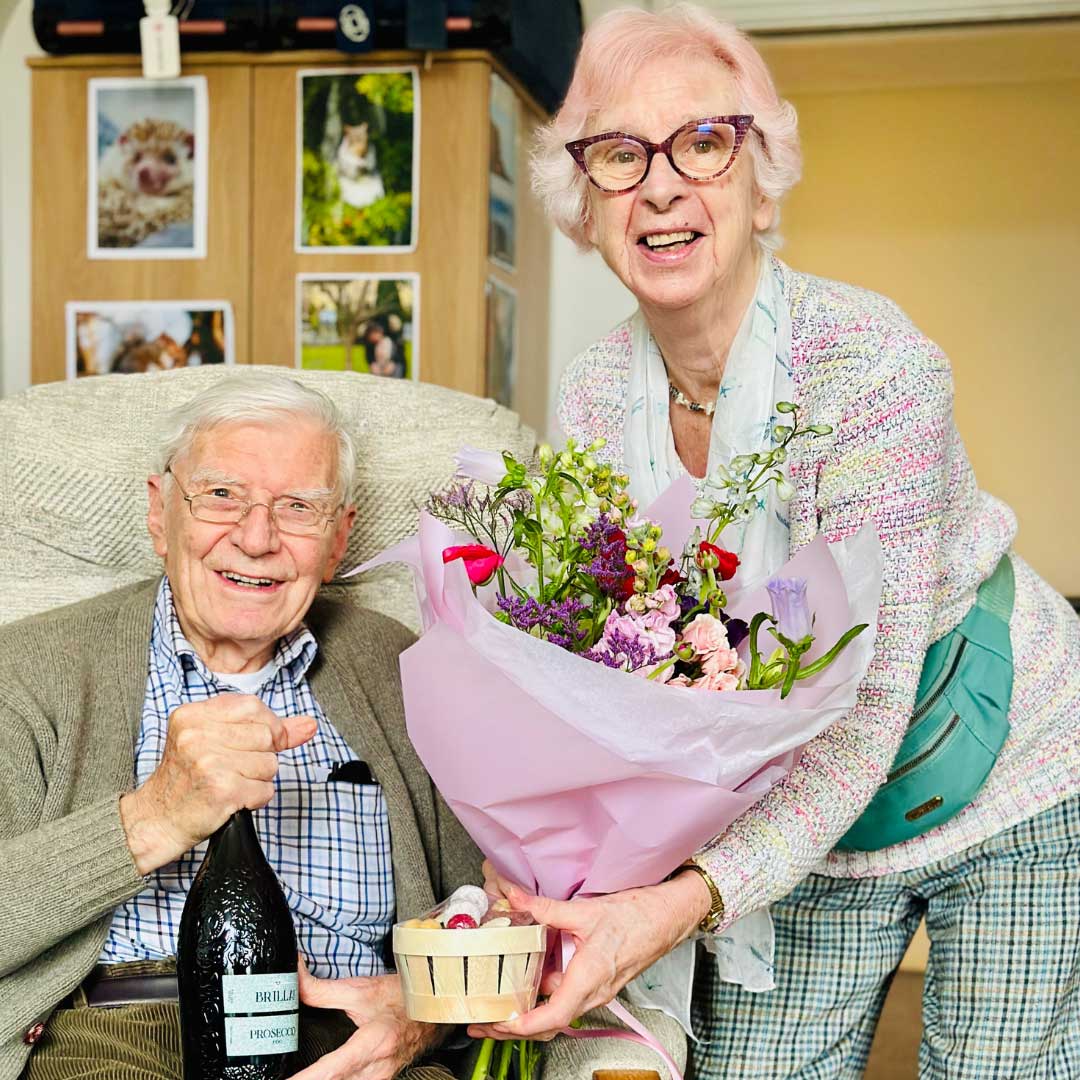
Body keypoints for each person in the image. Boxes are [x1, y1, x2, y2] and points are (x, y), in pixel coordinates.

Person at [468, 5, 1080, 1077]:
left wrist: (678, 906)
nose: (661, 185)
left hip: (1005, 779)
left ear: (759, 182)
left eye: (702, 143)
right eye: (620, 155)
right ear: (585, 204)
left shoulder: (872, 368)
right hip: (797, 819)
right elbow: (590, 673)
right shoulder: (596, 394)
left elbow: (864, 700)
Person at [0, 372, 479, 1080]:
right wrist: (152, 817)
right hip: (125, 1032)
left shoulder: (402, 667)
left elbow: (500, 907)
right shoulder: (28, 670)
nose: (256, 538)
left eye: (297, 508)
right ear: (161, 513)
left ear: (339, 536)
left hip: (352, 1042)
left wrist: (424, 1016)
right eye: (222, 496)